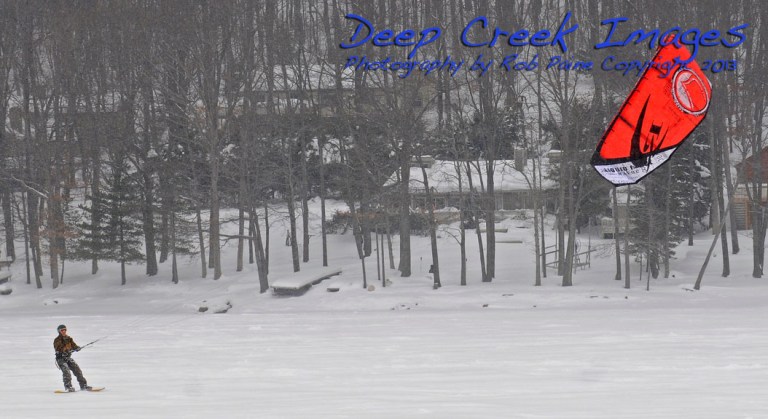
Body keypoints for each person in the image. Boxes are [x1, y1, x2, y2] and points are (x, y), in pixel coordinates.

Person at [53, 325, 92, 392]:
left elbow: (74, 346)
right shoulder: (57, 340)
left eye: (65, 330)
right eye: (62, 330)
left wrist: (77, 348)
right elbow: (58, 348)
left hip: (68, 358)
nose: (64, 331)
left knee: (78, 371)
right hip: (61, 359)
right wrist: (64, 351)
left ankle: (83, 386)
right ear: (59, 331)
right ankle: (68, 387)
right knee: (66, 372)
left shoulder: (69, 338)